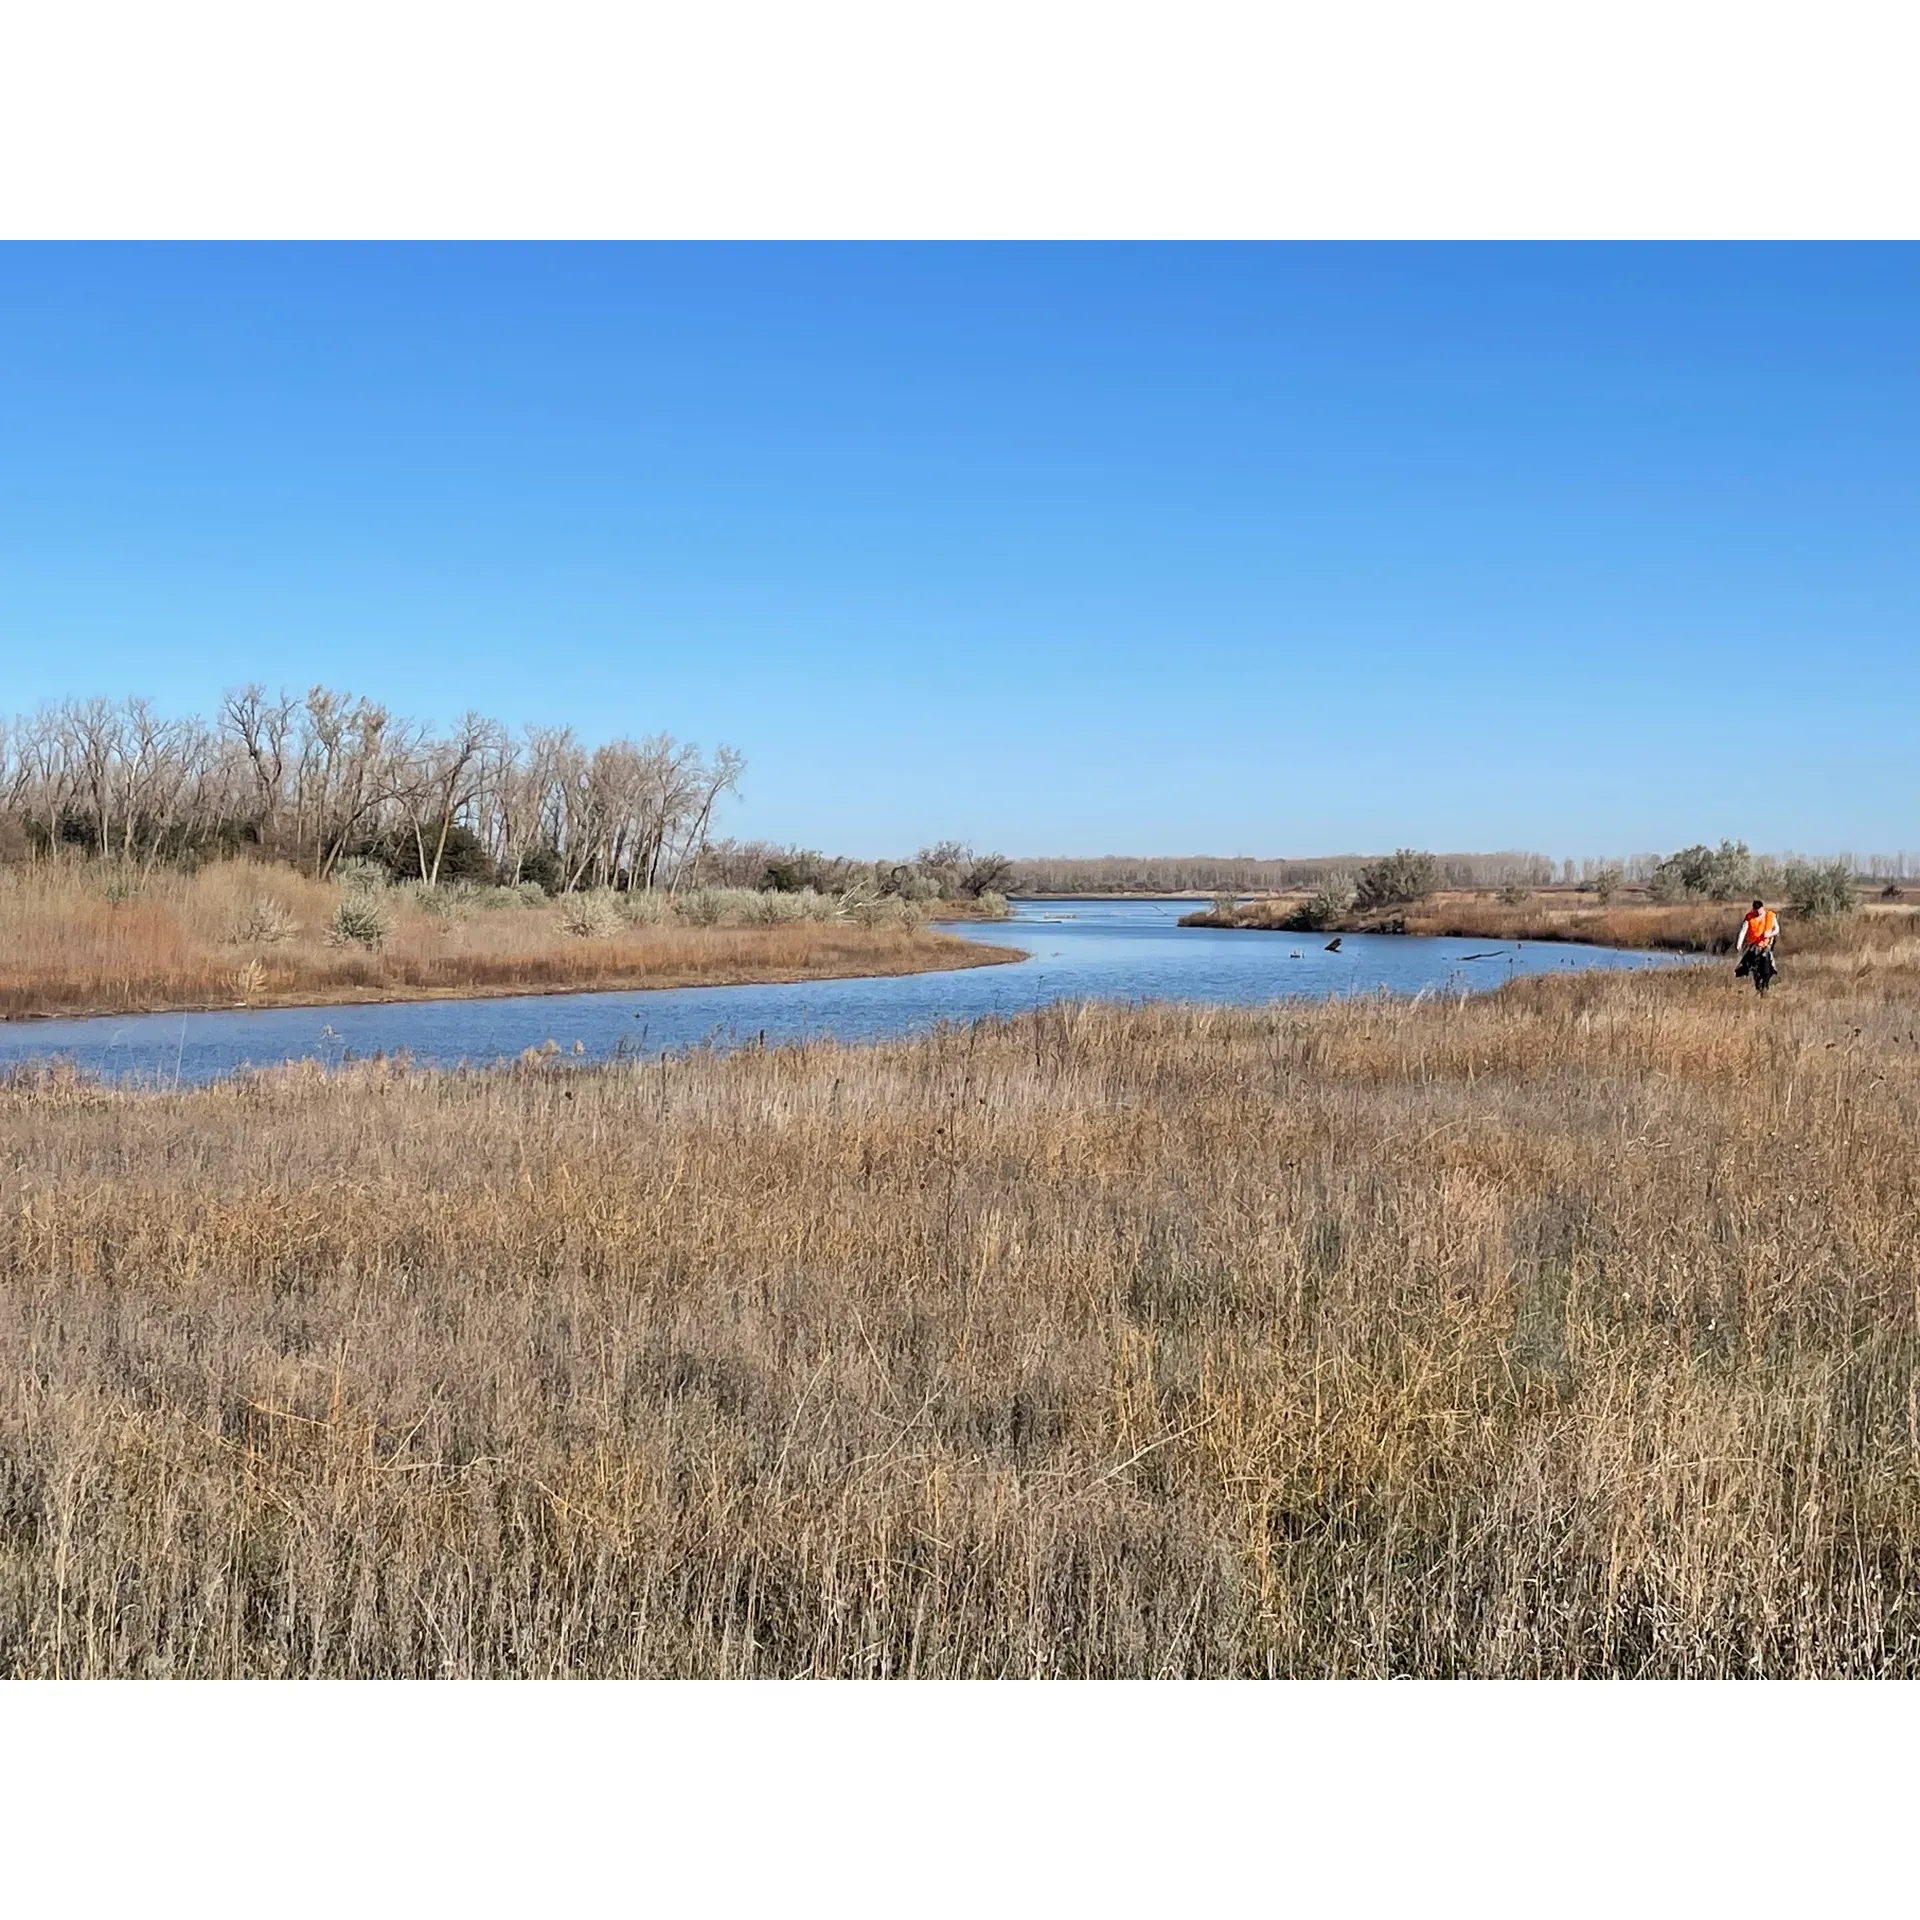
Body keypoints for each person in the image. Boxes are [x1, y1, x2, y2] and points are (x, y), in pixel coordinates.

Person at [1734, 897, 1778, 993]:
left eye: (1759, 910)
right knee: (1747, 964)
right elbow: (1743, 931)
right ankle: (1754, 982)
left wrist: (1769, 934)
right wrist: (1739, 943)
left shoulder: (1770, 916)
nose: (1758, 912)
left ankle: (1767, 982)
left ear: (1762, 908)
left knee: (1768, 964)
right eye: (1756, 910)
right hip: (1754, 946)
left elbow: (1777, 929)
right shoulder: (1749, 917)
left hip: (1766, 945)